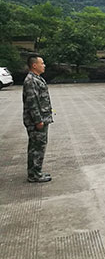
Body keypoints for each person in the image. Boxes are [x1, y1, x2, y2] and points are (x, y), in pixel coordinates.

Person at [23, 55, 53, 183]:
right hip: (36, 121)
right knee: (36, 147)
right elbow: (32, 102)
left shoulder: (36, 78)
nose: (44, 65)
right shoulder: (31, 81)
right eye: (42, 63)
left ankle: (36, 171)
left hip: (41, 118)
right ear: (34, 65)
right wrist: (38, 120)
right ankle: (34, 175)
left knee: (38, 146)